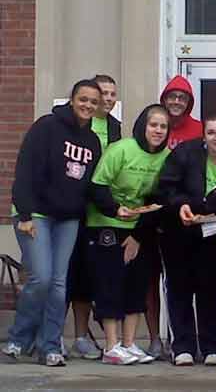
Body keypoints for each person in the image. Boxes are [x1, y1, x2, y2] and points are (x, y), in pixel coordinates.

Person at [2, 79, 102, 366]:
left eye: (93, 102)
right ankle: (19, 339)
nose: (87, 106)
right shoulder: (47, 126)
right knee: (41, 278)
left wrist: (117, 207)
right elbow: (25, 169)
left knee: (58, 284)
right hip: (35, 215)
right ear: (72, 99)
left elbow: (90, 186)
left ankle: (49, 346)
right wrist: (23, 215)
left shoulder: (93, 141)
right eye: (83, 99)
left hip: (67, 219)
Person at [155, 114, 216, 366]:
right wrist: (181, 206)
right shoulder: (184, 154)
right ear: (204, 136)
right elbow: (165, 188)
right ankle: (183, 346)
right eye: (212, 132)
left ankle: (212, 347)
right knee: (179, 289)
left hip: (215, 234)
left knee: (210, 289)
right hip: (179, 231)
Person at [86, 104, 171, 365]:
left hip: (139, 228)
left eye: (163, 126)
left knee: (137, 283)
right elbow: (97, 186)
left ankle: (130, 343)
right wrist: (114, 209)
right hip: (106, 223)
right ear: (142, 126)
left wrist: (137, 234)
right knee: (110, 282)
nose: (158, 130)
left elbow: (159, 199)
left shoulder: (167, 156)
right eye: (153, 125)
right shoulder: (121, 149)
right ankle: (111, 346)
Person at [143, 74, 204, 359]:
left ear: (190, 102)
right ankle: (159, 338)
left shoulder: (200, 130)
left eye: (182, 97)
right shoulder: (155, 128)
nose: (177, 101)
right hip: (154, 213)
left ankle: (198, 341)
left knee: (195, 281)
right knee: (156, 280)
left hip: (190, 218)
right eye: (172, 96)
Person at [67, 74, 122, 360]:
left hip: (99, 211)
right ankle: (58, 336)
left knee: (87, 277)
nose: (109, 98)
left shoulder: (115, 127)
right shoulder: (77, 122)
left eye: (113, 93)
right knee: (67, 274)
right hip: (72, 205)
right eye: (104, 93)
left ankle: (81, 336)